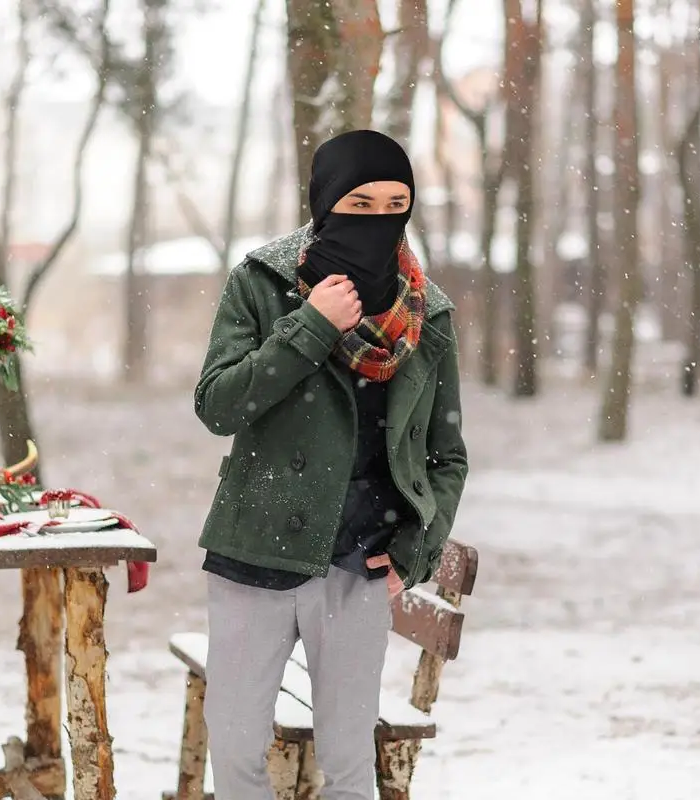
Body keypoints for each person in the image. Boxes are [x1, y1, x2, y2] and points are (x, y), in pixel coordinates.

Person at [194, 129, 467, 800]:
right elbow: (218, 406)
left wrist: (414, 551)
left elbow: (446, 454)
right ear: (324, 200)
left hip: (359, 565)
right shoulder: (262, 282)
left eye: (395, 203)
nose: (378, 220)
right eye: (360, 202)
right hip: (253, 552)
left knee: (349, 768)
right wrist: (313, 324)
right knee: (233, 753)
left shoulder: (426, 313)